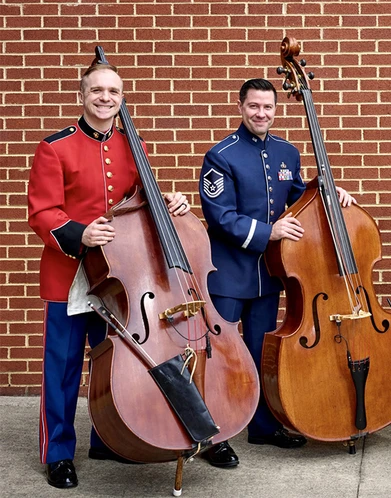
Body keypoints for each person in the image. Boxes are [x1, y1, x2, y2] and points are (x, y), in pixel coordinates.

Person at [27, 61, 190, 489]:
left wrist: (169, 201)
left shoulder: (134, 144)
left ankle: (109, 439)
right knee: (62, 368)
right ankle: (58, 453)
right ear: (81, 95)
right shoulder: (55, 147)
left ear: (121, 98)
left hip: (121, 275)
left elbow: (140, 200)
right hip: (71, 272)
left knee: (116, 363)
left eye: (113, 92)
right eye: (97, 90)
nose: (105, 98)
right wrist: (80, 233)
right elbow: (41, 212)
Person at [198, 78, 354, 467]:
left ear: (275, 109)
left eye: (268, 107)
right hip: (229, 274)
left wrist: (328, 191)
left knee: (261, 351)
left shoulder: (287, 151)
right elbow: (220, 217)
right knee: (221, 356)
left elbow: (299, 198)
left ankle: (263, 427)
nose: (261, 113)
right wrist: (270, 232)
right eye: (254, 106)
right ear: (240, 107)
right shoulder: (220, 155)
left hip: (269, 275)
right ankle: (215, 436)